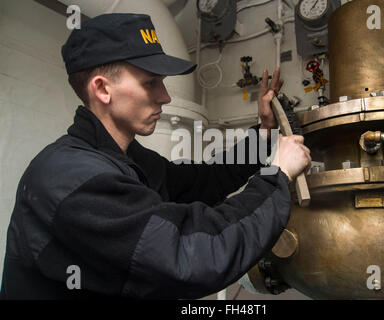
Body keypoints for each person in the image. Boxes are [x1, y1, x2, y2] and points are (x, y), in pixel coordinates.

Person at [0, 13, 311, 300]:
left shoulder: (123, 158)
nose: (165, 96)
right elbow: (195, 254)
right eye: (151, 82)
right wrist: (277, 175)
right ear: (102, 89)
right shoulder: (74, 178)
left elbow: (202, 181)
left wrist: (264, 134)